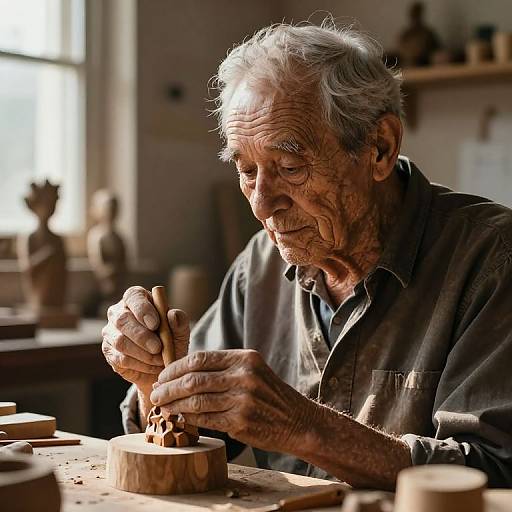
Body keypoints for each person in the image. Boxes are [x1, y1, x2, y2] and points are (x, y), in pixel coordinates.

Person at [101, 21, 512, 490]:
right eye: (247, 170)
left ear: (379, 148)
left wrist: (304, 427)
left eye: (290, 167)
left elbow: (497, 474)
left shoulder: (492, 259)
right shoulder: (260, 265)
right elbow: (193, 431)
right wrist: (152, 378)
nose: (260, 203)